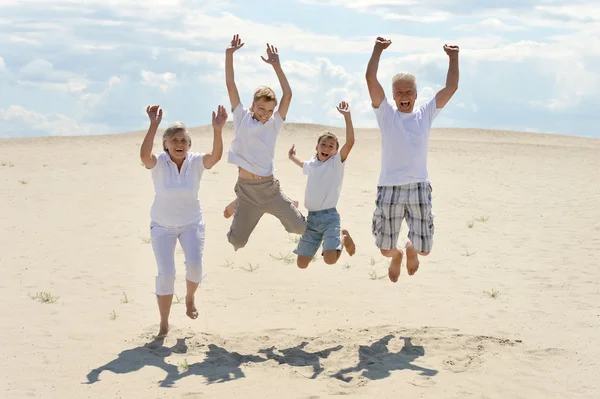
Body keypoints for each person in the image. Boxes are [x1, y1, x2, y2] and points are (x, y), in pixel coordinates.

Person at [365, 36, 459, 282]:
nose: (404, 95)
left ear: (416, 95)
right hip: (390, 188)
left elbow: (451, 88)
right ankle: (397, 254)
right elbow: (371, 80)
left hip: (418, 185)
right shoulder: (386, 115)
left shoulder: (424, 115)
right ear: (393, 96)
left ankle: (409, 248)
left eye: (409, 91)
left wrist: (453, 57)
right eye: (399, 92)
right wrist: (377, 50)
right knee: (384, 249)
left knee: (424, 249)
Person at [139, 104, 227, 337]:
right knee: (166, 274)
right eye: (174, 140)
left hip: (191, 224)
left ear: (189, 145)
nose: (179, 145)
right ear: (166, 144)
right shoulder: (158, 161)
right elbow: (143, 157)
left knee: (195, 267)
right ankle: (164, 323)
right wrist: (153, 125)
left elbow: (215, 157)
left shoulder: (196, 162)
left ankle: (189, 299)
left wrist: (217, 130)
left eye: (183, 141)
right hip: (161, 226)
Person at [223, 33, 306, 250]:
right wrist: (229, 54)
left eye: (270, 110)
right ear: (253, 105)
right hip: (247, 190)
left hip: (268, 188)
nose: (265, 114)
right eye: (261, 108)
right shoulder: (241, 117)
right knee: (236, 242)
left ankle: (289, 204)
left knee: (299, 228)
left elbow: (288, 94)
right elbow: (230, 85)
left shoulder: (274, 124)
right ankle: (239, 202)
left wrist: (276, 66)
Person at [287, 101, 356, 268]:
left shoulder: (336, 162)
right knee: (301, 263)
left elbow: (350, 142)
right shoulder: (312, 164)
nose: (326, 148)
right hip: (311, 219)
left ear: (335, 152)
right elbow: (302, 163)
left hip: (329, 218)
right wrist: (291, 157)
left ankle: (343, 237)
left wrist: (347, 117)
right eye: (323, 144)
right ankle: (321, 243)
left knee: (330, 260)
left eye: (331, 146)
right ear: (317, 147)